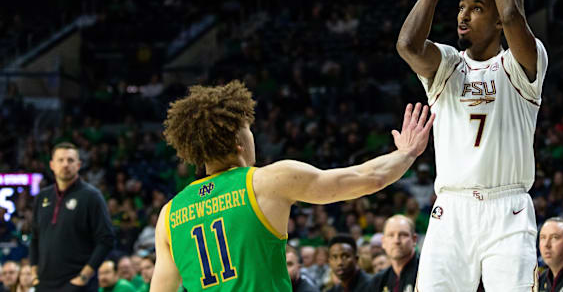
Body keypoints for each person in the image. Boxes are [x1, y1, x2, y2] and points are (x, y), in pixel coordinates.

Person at [149, 81, 435, 292]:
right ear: (238, 141)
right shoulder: (266, 181)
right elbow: (367, 178)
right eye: (249, 131)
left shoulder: (169, 215)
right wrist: (407, 153)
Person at [396, 0, 548, 292]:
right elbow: (409, 45)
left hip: (508, 208)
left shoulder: (523, 64)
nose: (463, 15)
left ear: (497, 20)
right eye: (462, 7)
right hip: (452, 209)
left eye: (477, 8)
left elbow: (515, 14)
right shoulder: (447, 65)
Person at [31, 142, 114, 292]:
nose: (65, 164)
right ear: (51, 164)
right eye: (60, 160)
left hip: (77, 286)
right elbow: (35, 238)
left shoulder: (92, 196)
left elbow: (106, 239)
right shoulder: (42, 197)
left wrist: (83, 277)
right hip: (44, 285)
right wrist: (34, 275)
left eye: (70, 160)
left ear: (79, 164)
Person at [366, 215, 418, 292]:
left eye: (403, 235)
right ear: (383, 242)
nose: (396, 241)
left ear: (414, 240)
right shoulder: (378, 280)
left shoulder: (426, 271)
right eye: (391, 235)